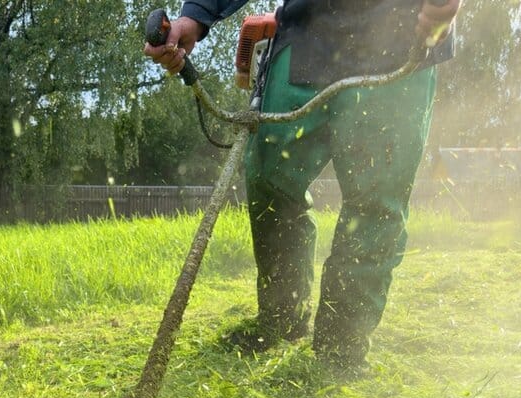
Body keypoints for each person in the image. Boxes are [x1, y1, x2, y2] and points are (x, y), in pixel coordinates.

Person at [145, 0, 461, 373]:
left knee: (375, 201)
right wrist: (195, 15)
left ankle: (341, 347)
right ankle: (282, 317)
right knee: (269, 178)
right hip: (307, 34)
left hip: (401, 33)